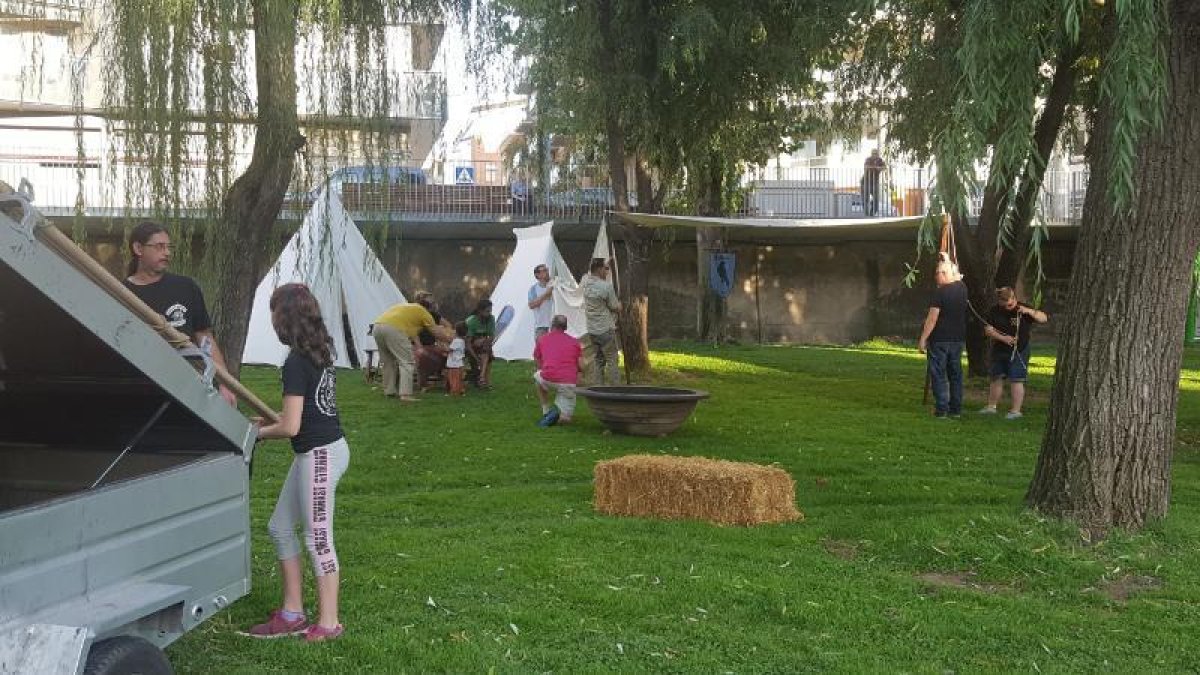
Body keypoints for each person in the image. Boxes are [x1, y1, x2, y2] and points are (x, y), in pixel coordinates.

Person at [243, 283, 349, 642]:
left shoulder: (296, 362)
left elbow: (290, 427)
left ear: (284, 317)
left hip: (320, 454)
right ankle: (292, 614)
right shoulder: (317, 352)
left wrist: (256, 435)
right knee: (280, 527)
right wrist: (269, 420)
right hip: (317, 450)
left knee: (318, 537)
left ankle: (329, 623)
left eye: (274, 311)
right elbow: (303, 413)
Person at [123, 221, 235, 405]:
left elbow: (205, 337)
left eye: (169, 247)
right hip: (141, 387)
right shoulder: (122, 293)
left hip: (189, 385)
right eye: (159, 246)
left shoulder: (186, 287)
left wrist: (225, 384)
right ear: (138, 249)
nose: (167, 252)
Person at [980, 287, 1048, 419]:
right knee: (996, 378)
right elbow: (988, 330)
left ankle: (1015, 411)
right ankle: (991, 407)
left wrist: (1029, 311)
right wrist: (1003, 338)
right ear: (999, 301)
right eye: (1005, 304)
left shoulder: (1023, 308)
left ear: (1014, 298)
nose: (1009, 306)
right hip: (999, 349)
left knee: (1017, 379)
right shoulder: (994, 311)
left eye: (1011, 303)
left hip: (1019, 350)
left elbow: (1043, 318)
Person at [917, 255, 968, 418]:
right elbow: (957, 274)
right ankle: (956, 409)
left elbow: (932, 318)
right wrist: (947, 260)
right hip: (957, 339)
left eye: (937, 273)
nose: (936, 276)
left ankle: (941, 409)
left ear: (943, 274)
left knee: (938, 374)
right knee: (955, 375)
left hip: (939, 339)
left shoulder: (940, 293)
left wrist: (923, 338)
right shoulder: (962, 288)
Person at [373, 300, 446, 402]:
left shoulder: (407, 308)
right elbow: (436, 332)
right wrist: (451, 339)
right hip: (394, 328)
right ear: (428, 309)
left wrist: (419, 347)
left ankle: (389, 391)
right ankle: (405, 395)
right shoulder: (423, 312)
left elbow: (413, 335)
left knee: (388, 361)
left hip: (377, 326)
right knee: (406, 362)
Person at [533, 314, 582, 426]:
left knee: (537, 377)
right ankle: (560, 414)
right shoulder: (575, 342)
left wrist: (543, 368)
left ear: (552, 325)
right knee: (566, 419)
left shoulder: (542, 339)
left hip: (548, 377)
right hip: (569, 382)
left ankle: (546, 411)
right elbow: (581, 365)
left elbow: (536, 357)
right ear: (566, 327)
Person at [581, 258, 622, 386]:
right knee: (612, 359)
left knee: (599, 360)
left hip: (592, 330)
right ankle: (615, 388)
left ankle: (598, 387)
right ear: (599, 269)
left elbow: (592, 272)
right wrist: (620, 306)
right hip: (605, 329)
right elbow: (615, 307)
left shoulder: (585, 282)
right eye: (606, 269)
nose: (608, 272)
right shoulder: (606, 287)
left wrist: (606, 263)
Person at [465, 299, 497, 388]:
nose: (489, 313)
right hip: (470, 347)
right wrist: (476, 358)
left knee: (486, 348)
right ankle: (483, 378)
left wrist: (483, 341)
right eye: (487, 311)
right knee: (487, 351)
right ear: (480, 311)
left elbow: (492, 336)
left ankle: (482, 377)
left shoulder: (491, 318)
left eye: (490, 311)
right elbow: (467, 343)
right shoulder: (471, 321)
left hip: (483, 346)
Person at [528, 264, 555, 340]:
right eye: (544, 270)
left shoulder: (555, 285)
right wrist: (546, 294)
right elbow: (531, 305)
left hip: (556, 325)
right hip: (541, 327)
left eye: (547, 270)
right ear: (537, 275)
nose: (547, 272)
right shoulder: (533, 289)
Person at [862, 149, 886, 217]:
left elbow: (884, 167)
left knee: (876, 199)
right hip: (865, 181)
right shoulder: (868, 159)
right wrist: (876, 167)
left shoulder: (880, 160)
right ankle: (866, 214)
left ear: (878, 154)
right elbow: (866, 167)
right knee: (865, 199)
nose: (874, 155)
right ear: (871, 154)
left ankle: (872, 214)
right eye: (873, 153)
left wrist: (880, 168)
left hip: (874, 182)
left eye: (876, 154)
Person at [445, 322, 467, 396]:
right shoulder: (462, 341)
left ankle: (454, 392)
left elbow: (449, 349)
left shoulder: (456, 341)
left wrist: (443, 347)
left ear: (456, 331)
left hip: (454, 363)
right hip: (459, 363)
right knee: (459, 378)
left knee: (454, 378)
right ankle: (461, 390)